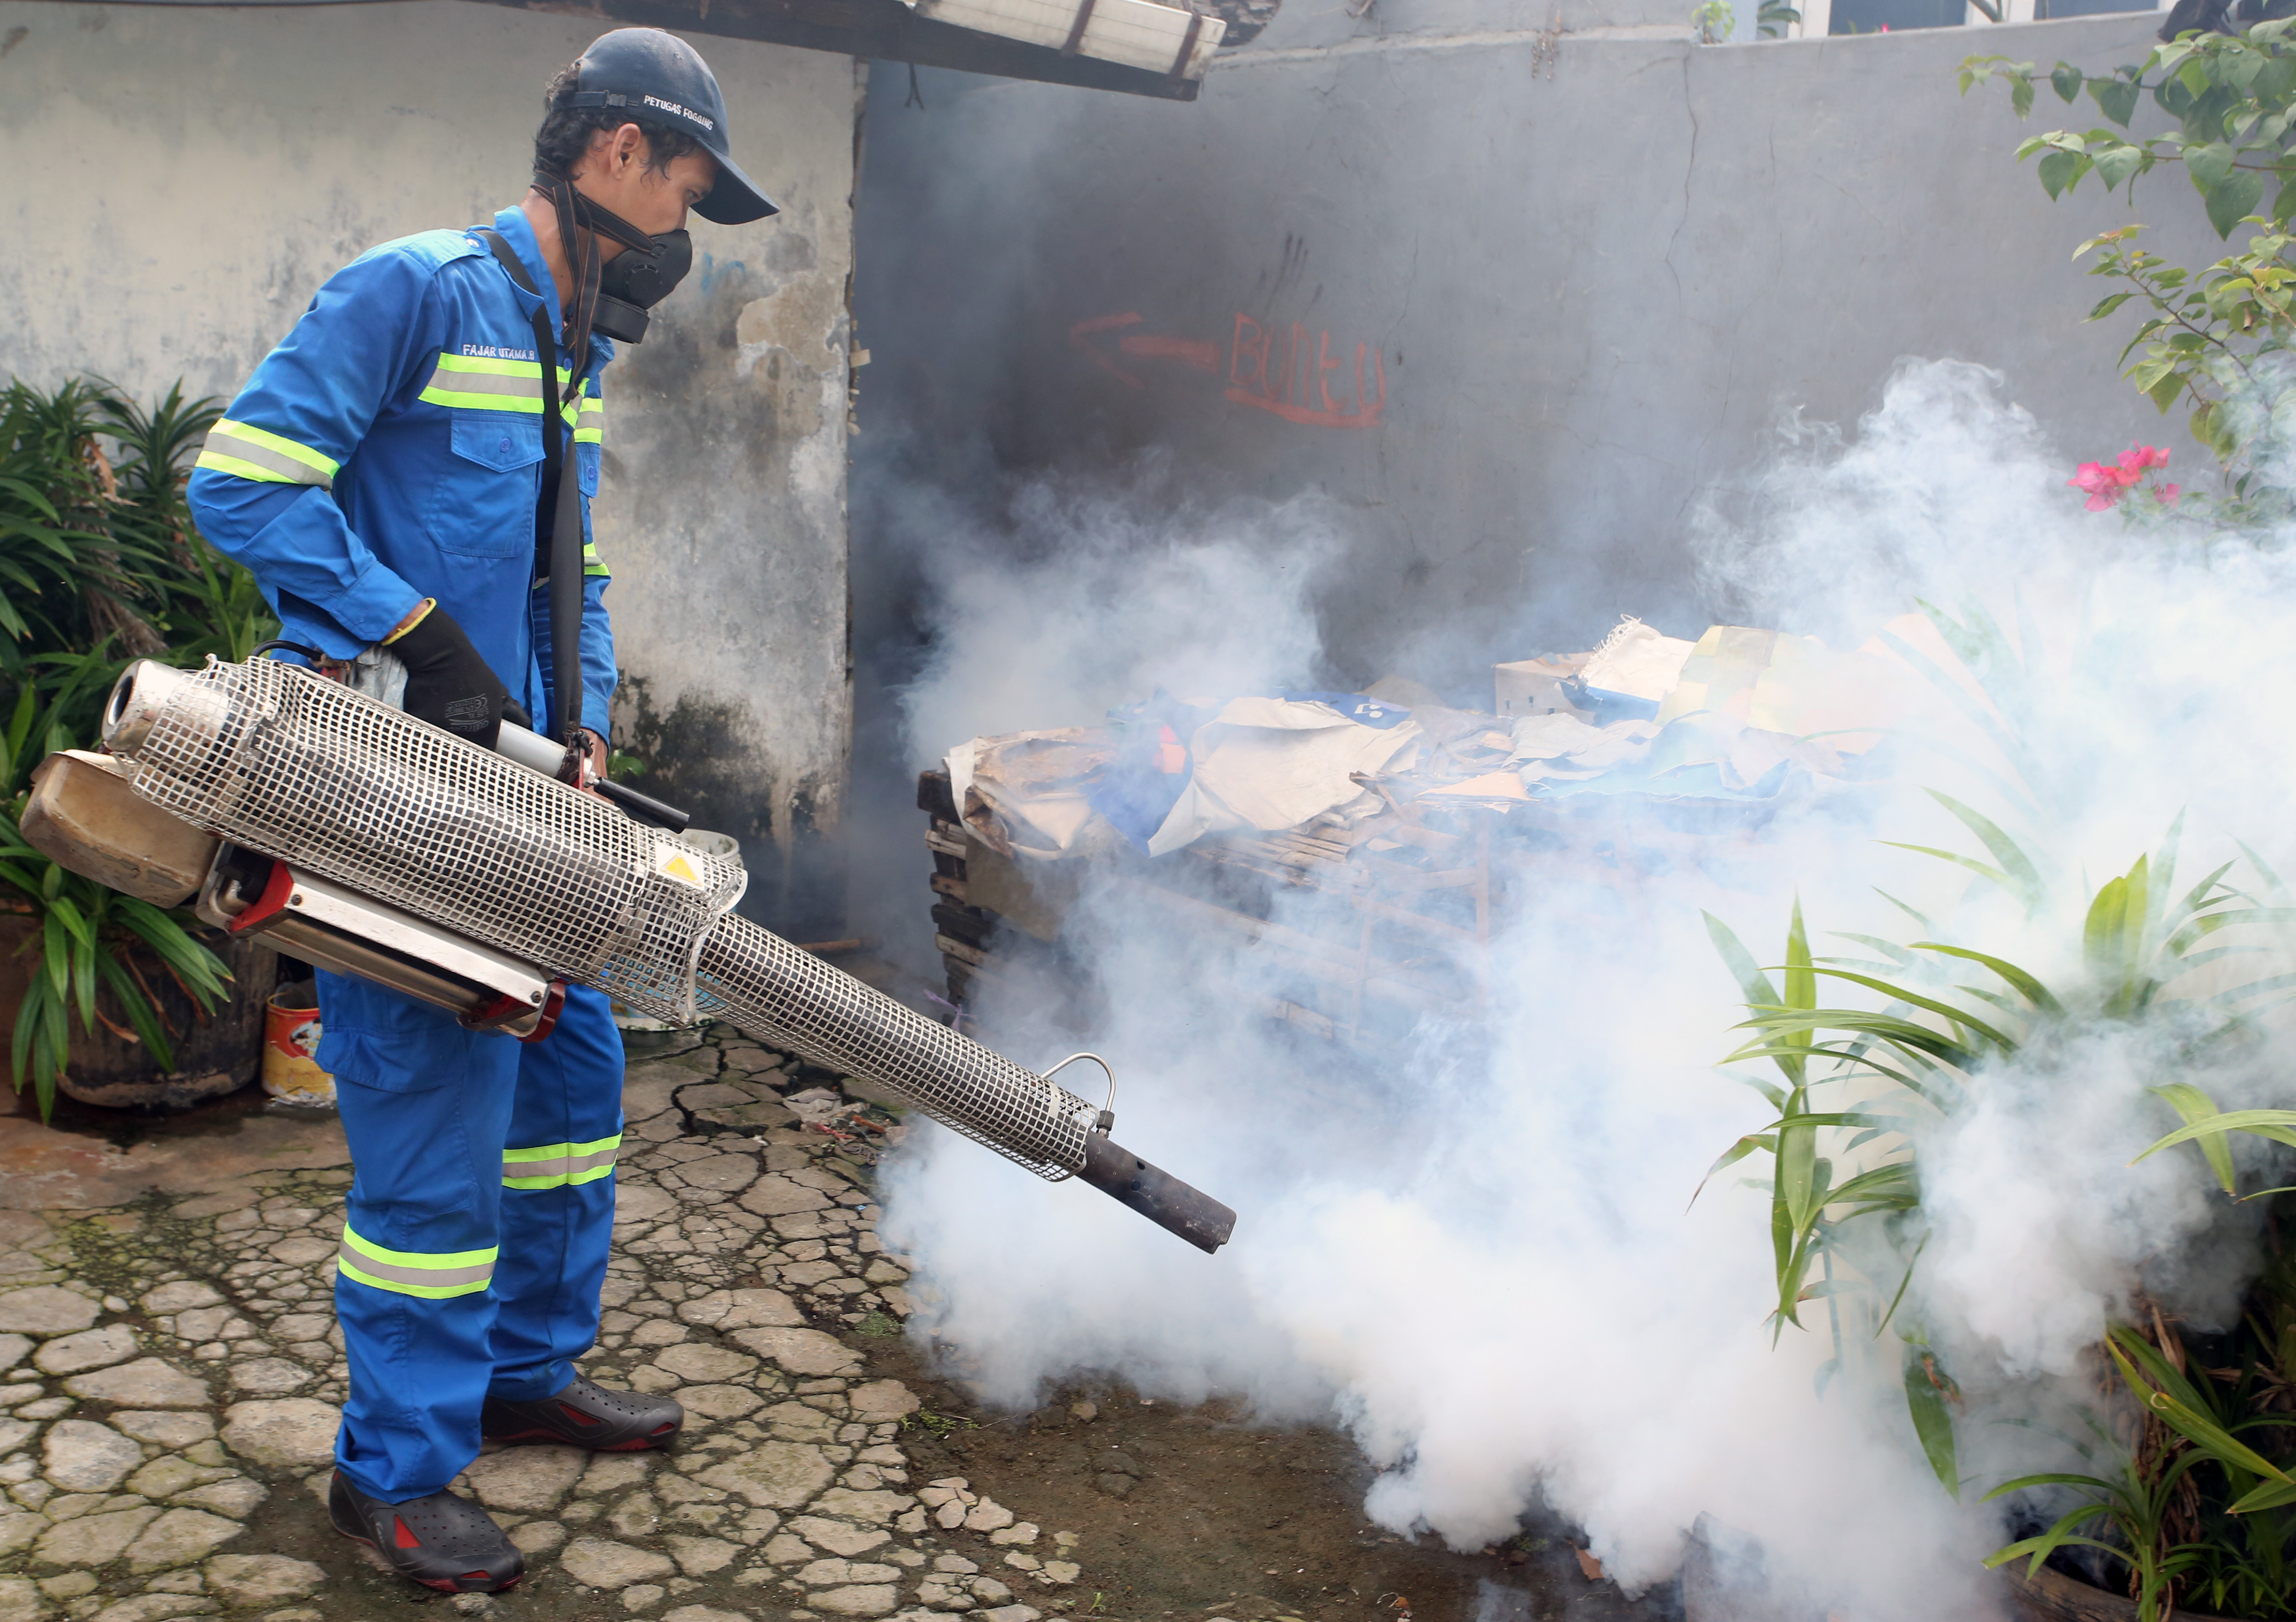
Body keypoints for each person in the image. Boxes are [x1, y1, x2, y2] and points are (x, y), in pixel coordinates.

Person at [185, 28, 777, 1594]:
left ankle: (522, 1372)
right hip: (396, 799)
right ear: (614, 157)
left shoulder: (560, 341)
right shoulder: (414, 290)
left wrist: (578, 727)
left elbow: (562, 566)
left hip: (525, 803)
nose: (683, 243)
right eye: (688, 195)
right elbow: (238, 484)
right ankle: (391, 1477)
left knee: (572, 1080)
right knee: (437, 1136)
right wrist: (413, 636)